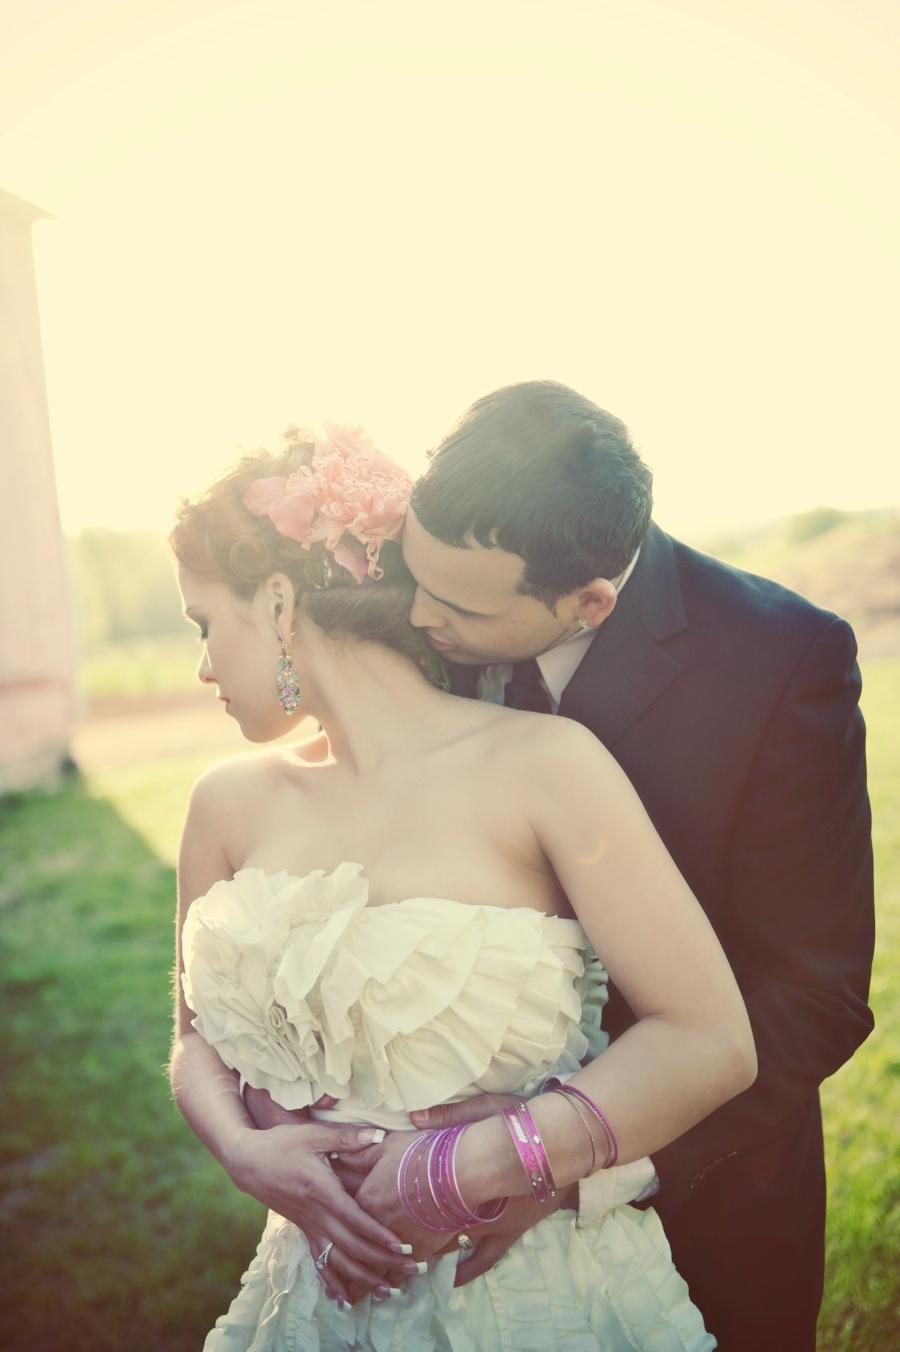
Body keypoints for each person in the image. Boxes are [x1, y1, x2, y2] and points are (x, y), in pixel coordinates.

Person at [168, 422, 757, 1350]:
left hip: (534, 1296)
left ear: (278, 601)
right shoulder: (226, 803)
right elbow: (193, 1041)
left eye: (205, 624)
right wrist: (246, 1155)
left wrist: (468, 1167)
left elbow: (712, 1041)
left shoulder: (543, 766)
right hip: (310, 1296)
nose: (202, 665)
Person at [387, 380, 875, 1350]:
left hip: (698, 1200)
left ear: (590, 600)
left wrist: (565, 1160)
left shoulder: (783, 662)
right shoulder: (427, 611)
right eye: (412, 574)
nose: (411, 615)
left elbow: (815, 992)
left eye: (453, 607)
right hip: (432, 1220)